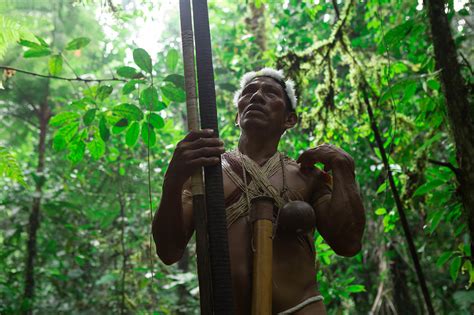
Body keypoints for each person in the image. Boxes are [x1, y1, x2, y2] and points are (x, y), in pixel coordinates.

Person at [152, 68, 366, 314]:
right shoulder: (203, 176)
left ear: (290, 119)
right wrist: (173, 178)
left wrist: (343, 167)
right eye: (249, 91)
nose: (256, 96)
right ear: (237, 115)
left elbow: (349, 244)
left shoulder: (308, 178)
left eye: (271, 92)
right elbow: (168, 251)